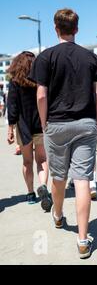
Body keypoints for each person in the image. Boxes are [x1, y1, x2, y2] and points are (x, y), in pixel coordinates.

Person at [29, 8, 97, 259]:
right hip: (85, 123)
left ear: (55, 28)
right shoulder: (92, 58)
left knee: (59, 177)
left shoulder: (45, 58)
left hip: (56, 124)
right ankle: (83, 240)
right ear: (77, 28)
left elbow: (41, 95)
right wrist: (96, 124)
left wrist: (44, 124)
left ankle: (59, 215)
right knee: (83, 179)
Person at [6, 51, 51, 209]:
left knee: (27, 161)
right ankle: (43, 186)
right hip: (40, 124)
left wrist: (10, 129)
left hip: (23, 126)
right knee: (42, 160)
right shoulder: (41, 80)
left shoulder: (15, 82)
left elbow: (12, 107)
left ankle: (31, 193)